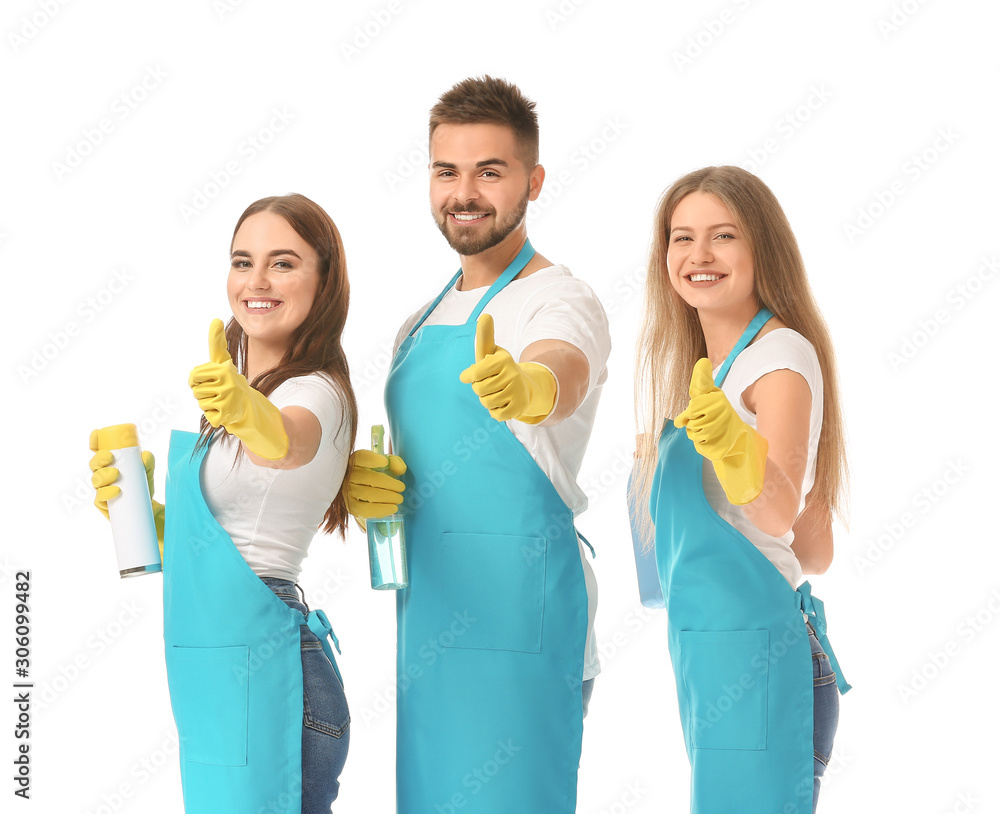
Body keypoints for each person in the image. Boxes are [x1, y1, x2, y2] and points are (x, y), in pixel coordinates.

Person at [344, 76, 610, 813]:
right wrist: (371, 497)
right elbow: (419, 476)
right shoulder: (415, 324)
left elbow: (565, 363)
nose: (465, 192)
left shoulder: (559, 297)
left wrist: (528, 388)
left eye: (489, 172)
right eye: (446, 171)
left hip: (521, 630)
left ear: (534, 180)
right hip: (428, 626)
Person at [89, 193, 355, 813]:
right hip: (216, 675)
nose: (256, 281)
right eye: (243, 261)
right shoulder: (229, 405)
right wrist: (146, 517)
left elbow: (286, 443)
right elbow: (221, 534)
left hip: (272, 669)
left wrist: (245, 411)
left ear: (324, 281)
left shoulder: (317, 392)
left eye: (283, 263)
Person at [631, 166, 851, 813]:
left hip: (760, 656)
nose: (698, 255)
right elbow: (814, 550)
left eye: (723, 236)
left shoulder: (778, 358)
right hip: (714, 654)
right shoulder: (707, 374)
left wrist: (734, 450)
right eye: (681, 237)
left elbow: (777, 508)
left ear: (763, 251)